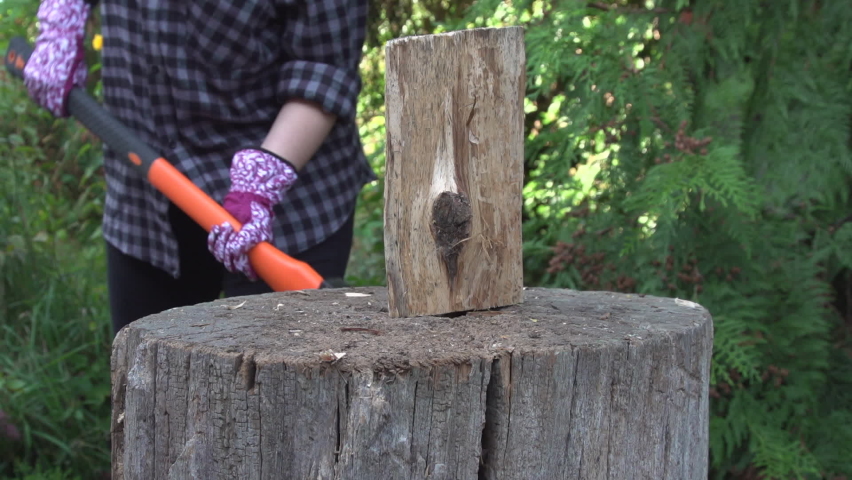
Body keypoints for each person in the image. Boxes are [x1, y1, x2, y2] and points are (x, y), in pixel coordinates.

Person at [22, 0, 376, 336]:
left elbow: (323, 67)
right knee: (148, 384)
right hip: (142, 202)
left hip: (288, 206)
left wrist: (264, 179)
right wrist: (63, 16)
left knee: (282, 388)